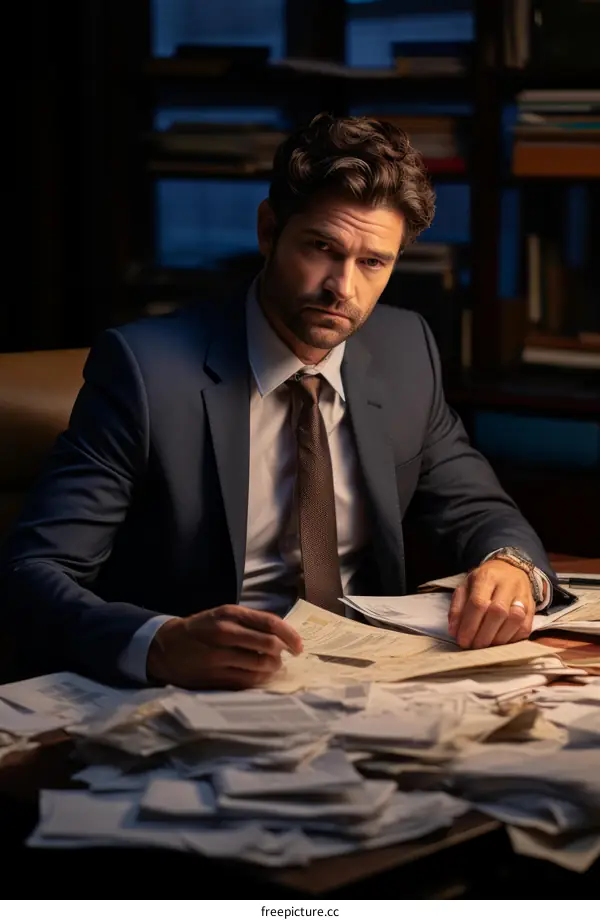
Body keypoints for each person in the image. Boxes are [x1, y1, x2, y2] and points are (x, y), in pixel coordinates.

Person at [0, 113, 564, 691]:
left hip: (375, 685)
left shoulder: (405, 351)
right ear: (269, 230)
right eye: (321, 247)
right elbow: (33, 572)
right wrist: (159, 643)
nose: (342, 288)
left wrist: (511, 565)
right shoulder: (146, 371)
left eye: (373, 262)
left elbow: (479, 510)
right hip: (202, 690)